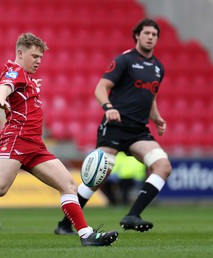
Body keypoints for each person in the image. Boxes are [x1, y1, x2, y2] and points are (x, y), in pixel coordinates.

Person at [0, 32, 119, 246]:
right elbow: (3, 88)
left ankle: (86, 235)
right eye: (34, 56)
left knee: (69, 186)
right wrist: (0, 99)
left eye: (40, 58)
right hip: (17, 139)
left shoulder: (26, 77)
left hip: (35, 145)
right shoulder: (15, 72)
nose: (38, 61)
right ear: (20, 53)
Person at [54, 18, 172, 234]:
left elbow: (150, 97)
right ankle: (64, 224)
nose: (150, 37)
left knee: (163, 166)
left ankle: (132, 215)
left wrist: (157, 118)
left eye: (154, 35)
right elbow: (101, 87)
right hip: (116, 125)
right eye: (146, 33)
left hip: (139, 130)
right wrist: (108, 107)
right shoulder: (125, 60)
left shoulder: (158, 68)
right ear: (137, 35)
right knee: (97, 178)